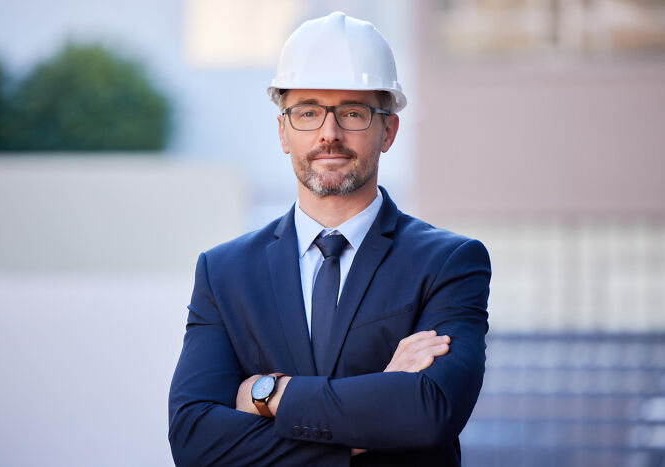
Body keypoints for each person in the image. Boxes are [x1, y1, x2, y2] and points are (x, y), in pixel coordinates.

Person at [169, 11, 490, 467]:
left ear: (389, 130)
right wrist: (378, 409)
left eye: (353, 113)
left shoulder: (449, 262)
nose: (329, 134)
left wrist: (268, 394)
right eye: (308, 112)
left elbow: (427, 413)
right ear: (283, 130)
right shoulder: (224, 273)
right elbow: (194, 440)